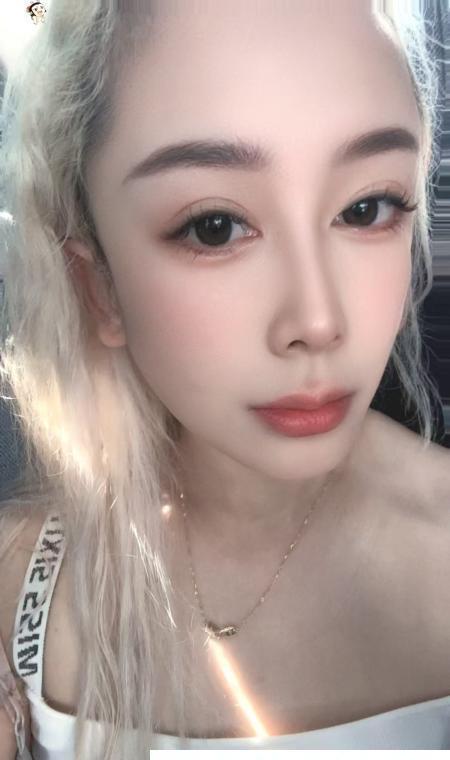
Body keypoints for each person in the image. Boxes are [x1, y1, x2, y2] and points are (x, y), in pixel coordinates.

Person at [0, 0, 449, 757]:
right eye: (215, 227)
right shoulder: (18, 580)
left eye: (367, 208)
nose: (317, 320)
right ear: (98, 286)